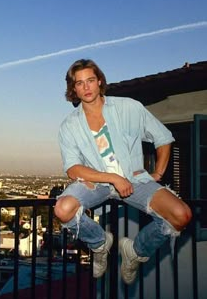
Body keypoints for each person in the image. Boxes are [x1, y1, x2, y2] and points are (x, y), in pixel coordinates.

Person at [54, 59, 192, 284]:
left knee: (181, 215)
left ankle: (135, 251)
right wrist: (112, 178)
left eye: (90, 80)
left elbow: (163, 137)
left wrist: (157, 173)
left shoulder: (129, 107)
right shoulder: (69, 125)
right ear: (74, 89)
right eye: (79, 83)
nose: (86, 87)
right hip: (97, 183)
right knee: (63, 209)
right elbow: (72, 168)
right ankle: (99, 244)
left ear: (99, 82)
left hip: (134, 180)